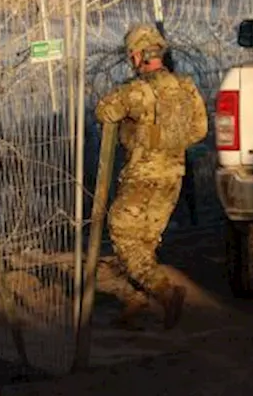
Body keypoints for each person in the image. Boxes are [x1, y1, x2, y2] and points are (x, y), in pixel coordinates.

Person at [95, 23, 208, 329]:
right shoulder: (186, 87)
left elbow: (103, 112)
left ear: (138, 55)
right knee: (145, 240)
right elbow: (199, 130)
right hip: (173, 175)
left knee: (120, 231)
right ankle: (135, 301)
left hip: (141, 176)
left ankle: (165, 292)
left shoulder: (135, 92)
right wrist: (169, 142)